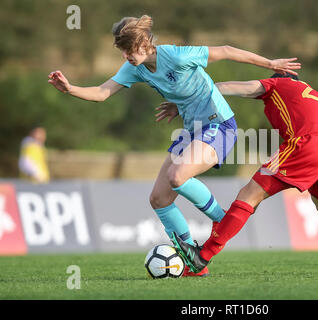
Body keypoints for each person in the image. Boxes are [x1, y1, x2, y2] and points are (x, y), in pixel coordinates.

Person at [47, 15, 301, 276]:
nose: (125, 56)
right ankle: (193, 261)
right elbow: (102, 93)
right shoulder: (135, 68)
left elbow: (225, 50)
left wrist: (270, 63)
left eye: (129, 50)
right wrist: (70, 89)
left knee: (177, 176)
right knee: (158, 198)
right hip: (192, 131)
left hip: (219, 125)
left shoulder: (177, 56)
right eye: (122, 51)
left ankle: (221, 219)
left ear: (145, 43)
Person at [169, 73, 318, 274]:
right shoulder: (313, 93)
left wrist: (188, 99)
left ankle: (202, 257)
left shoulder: (277, 85)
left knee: (249, 194)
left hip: (308, 143)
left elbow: (230, 88)